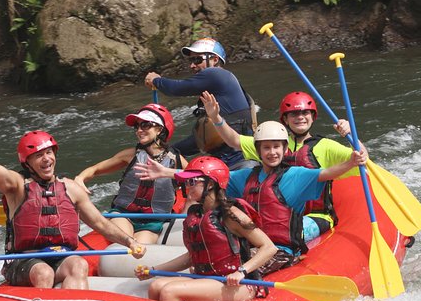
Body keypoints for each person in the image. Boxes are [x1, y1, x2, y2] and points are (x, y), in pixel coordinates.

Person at [136, 121, 367, 276]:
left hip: (280, 250)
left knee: (228, 268)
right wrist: (166, 172)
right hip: (249, 245)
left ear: (285, 150)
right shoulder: (246, 176)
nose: (272, 152)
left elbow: (327, 173)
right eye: (266, 148)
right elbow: (207, 177)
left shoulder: (296, 176)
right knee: (214, 262)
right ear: (258, 151)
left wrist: (351, 162)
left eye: (277, 147)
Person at [0, 114, 146, 289]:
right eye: (38, 155)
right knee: (44, 273)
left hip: (61, 256)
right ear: (27, 163)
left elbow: (99, 222)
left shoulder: (71, 188)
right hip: (23, 260)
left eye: (49, 152)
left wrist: (130, 242)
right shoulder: (17, 186)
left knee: (78, 265)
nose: (46, 159)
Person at [200, 90, 367, 242]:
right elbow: (234, 140)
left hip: (314, 215)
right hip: (274, 214)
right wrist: (216, 118)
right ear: (285, 119)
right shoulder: (274, 142)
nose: (300, 116)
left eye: (305, 112)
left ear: (312, 116)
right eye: (294, 113)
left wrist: (350, 134)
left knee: (285, 232)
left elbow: (362, 159)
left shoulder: (326, 146)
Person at [134, 156, 277, 301]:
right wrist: (153, 271)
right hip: (207, 279)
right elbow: (191, 257)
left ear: (210, 185)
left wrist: (242, 271)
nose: (187, 187)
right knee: (155, 286)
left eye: (192, 182)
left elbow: (269, 247)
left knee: (169, 292)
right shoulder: (197, 214)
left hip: (238, 284)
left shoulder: (231, 215)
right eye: (187, 182)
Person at [74, 104, 188, 244]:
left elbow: (199, 178)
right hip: (124, 214)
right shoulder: (130, 155)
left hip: (153, 221)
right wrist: (80, 178)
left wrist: (168, 172)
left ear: (159, 129)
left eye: (145, 125)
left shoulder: (175, 160)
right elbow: (95, 169)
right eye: (137, 126)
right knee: (126, 243)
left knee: (140, 250)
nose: (139, 130)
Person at [144, 37, 256, 170]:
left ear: (215, 59)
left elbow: (176, 88)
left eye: (197, 60)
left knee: (168, 153)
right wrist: (170, 150)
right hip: (227, 159)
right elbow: (205, 137)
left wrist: (156, 80)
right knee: (170, 152)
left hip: (239, 161)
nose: (192, 65)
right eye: (191, 60)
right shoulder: (217, 88)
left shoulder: (215, 74)